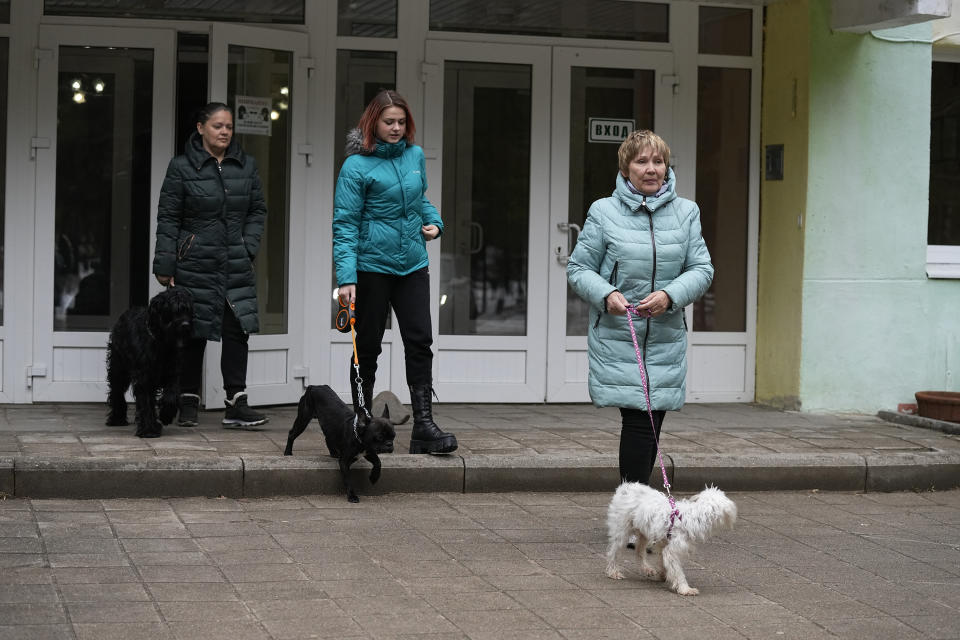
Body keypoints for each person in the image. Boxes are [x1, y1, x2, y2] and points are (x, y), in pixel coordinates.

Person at [567, 129, 713, 487]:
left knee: (653, 421)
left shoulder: (686, 212)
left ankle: (636, 509)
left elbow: (702, 269)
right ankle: (634, 512)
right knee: (639, 421)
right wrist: (607, 294)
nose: (651, 169)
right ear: (625, 168)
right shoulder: (603, 212)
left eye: (658, 161)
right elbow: (579, 268)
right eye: (642, 161)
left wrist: (669, 296)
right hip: (620, 335)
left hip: (666, 336)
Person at [333, 89, 457, 454]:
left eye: (402, 122)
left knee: (420, 341)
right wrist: (347, 277)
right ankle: (361, 425)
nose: (397, 128)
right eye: (389, 122)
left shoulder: (414, 156)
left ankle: (423, 426)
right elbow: (344, 224)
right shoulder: (355, 167)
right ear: (373, 122)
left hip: (413, 264)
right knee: (366, 347)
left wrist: (435, 222)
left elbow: (419, 201)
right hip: (371, 268)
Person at [153, 102, 268, 428]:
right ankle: (187, 399)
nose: (225, 132)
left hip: (235, 261)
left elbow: (258, 210)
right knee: (192, 332)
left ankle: (236, 402)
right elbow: (168, 218)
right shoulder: (181, 167)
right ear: (201, 128)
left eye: (229, 127)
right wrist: (166, 264)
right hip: (195, 262)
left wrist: (249, 246)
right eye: (218, 126)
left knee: (238, 329)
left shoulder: (246, 166)